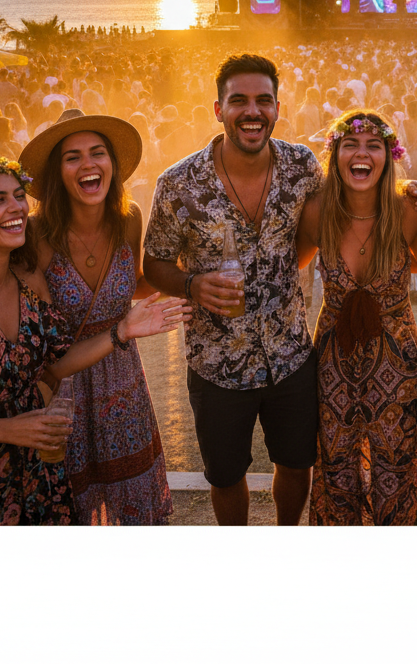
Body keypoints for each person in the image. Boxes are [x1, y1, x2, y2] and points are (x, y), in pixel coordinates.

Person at [0, 157, 188, 525]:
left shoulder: (28, 278)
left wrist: (122, 330)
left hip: (38, 479)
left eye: (18, 196)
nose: (16, 206)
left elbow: (57, 362)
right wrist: (5, 430)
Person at [142, 53, 325, 526]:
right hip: (217, 363)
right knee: (224, 476)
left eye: (263, 100)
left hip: (290, 355)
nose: (252, 111)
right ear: (218, 109)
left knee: (297, 463)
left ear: (278, 108)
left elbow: (317, 233)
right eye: (238, 100)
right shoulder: (178, 183)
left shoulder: (302, 167)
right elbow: (155, 262)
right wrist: (191, 285)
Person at [21, 109, 176, 525]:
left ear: (113, 165)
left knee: (135, 508)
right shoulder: (33, 235)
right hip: (61, 392)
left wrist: (186, 276)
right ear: (57, 172)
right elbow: (38, 348)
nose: (88, 164)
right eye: (73, 157)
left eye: (97, 152)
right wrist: (123, 329)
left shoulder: (129, 219)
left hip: (124, 387)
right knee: (68, 509)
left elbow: (132, 283)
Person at [296, 110, 417, 525]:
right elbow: (292, 263)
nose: (362, 153)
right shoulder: (317, 211)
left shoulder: (408, 210)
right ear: (335, 154)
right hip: (332, 358)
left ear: (389, 155)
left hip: (396, 359)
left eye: (374, 145)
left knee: (395, 471)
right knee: (336, 468)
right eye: (351, 144)